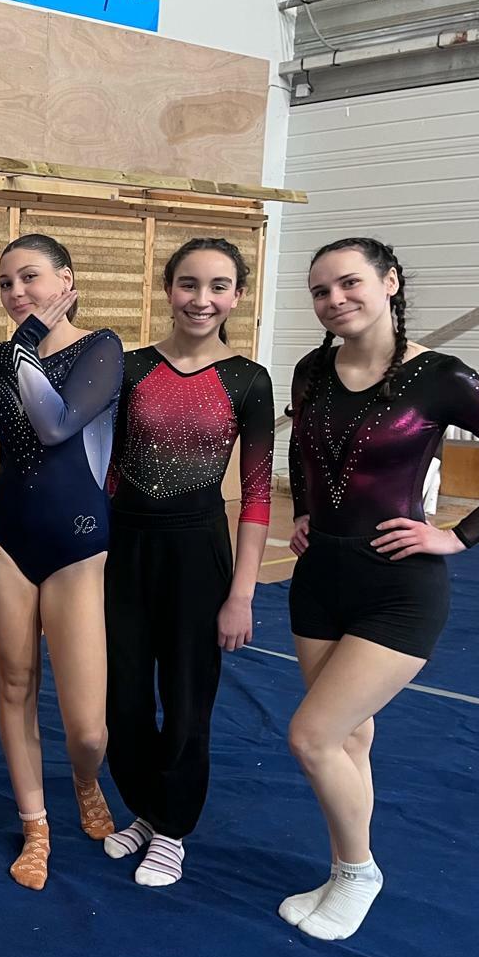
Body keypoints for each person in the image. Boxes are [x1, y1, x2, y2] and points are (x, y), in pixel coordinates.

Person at [278, 236, 479, 941]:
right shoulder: (312, 370)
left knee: (312, 736)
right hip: (320, 578)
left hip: (399, 587)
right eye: (320, 291)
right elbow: (302, 450)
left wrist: (458, 536)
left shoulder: (440, 376)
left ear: (390, 282)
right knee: (349, 738)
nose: (335, 299)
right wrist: (304, 510)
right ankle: (342, 869)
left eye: (349, 283)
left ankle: (359, 872)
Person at [101, 238, 273, 890]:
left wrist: (242, 594)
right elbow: (105, 466)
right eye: (189, 284)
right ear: (168, 288)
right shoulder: (130, 368)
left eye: (219, 286)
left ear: (237, 296)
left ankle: (173, 827)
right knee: (122, 698)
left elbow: (257, 496)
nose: (202, 299)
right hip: (126, 545)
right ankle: (146, 807)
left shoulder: (248, 380)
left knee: (186, 696)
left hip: (199, 551)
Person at [0, 233, 123, 890]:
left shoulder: (102, 347)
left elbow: (56, 425)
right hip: (8, 536)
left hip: (76, 540)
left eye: (29, 277)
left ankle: (85, 778)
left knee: (87, 726)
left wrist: (27, 342)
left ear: (65, 279)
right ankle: (35, 824)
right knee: (14, 685)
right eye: (6, 283)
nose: (16, 293)